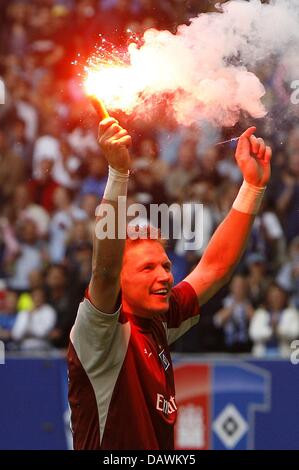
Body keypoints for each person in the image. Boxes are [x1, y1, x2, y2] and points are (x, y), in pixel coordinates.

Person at [67, 118, 271, 450]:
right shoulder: (100, 333)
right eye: (148, 268)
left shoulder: (159, 318)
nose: (164, 276)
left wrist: (252, 186)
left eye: (165, 265)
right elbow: (103, 270)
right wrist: (118, 173)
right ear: (120, 280)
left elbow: (215, 268)